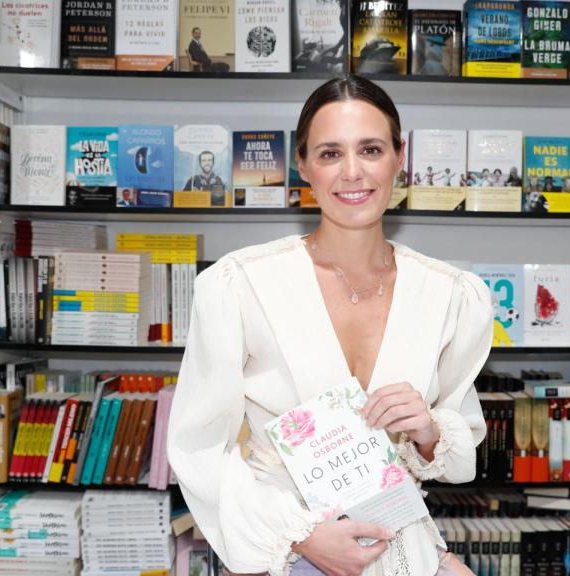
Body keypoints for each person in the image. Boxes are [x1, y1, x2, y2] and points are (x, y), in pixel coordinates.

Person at [167, 75, 491, 576]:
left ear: (399, 157)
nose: (353, 172)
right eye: (330, 153)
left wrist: (427, 431)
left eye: (371, 149)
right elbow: (199, 446)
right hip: (284, 553)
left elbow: (458, 449)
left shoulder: (449, 294)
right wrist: (303, 537)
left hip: (402, 548)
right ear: (303, 166)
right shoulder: (241, 284)